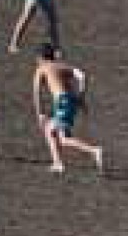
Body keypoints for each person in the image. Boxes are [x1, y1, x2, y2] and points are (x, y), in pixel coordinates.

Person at [33, 44, 105, 174]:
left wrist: (40, 113)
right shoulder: (62, 66)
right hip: (70, 100)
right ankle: (58, 163)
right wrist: (81, 96)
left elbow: (36, 92)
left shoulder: (42, 68)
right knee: (58, 135)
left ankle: (94, 151)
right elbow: (82, 75)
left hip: (62, 102)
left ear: (40, 57)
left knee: (55, 134)